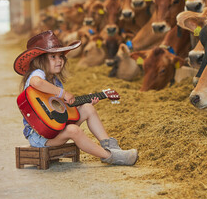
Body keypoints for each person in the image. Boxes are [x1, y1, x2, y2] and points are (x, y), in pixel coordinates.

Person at [13, 30, 138, 166]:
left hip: (55, 128)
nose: (59, 60)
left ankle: (112, 147)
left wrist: (81, 104)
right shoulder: (38, 73)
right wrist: (62, 93)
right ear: (40, 60)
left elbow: (61, 112)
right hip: (41, 136)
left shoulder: (55, 81)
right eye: (53, 57)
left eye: (61, 56)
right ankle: (110, 156)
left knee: (88, 108)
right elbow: (36, 82)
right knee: (74, 130)